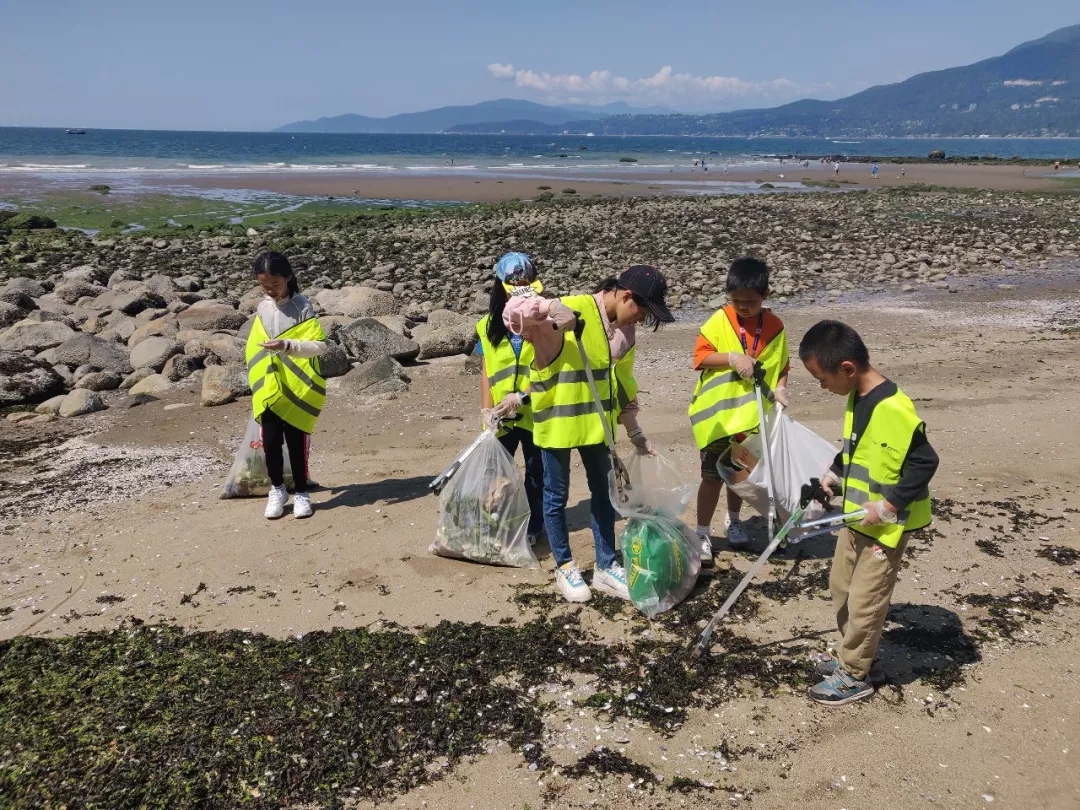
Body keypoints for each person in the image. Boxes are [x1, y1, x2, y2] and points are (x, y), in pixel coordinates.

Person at [504, 265, 675, 602]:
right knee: (556, 495)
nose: (640, 319)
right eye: (642, 311)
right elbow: (513, 313)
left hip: (599, 428)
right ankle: (565, 565)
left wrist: (635, 430)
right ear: (627, 296)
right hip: (557, 424)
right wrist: (551, 308)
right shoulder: (572, 306)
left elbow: (622, 384)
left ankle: (606, 566)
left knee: (604, 495)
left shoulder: (625, 333)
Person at [798, 320, 939, 706]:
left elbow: (925, 462)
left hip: (887, 524)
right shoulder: (857, 398)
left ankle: (855, 674)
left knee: (865, 600)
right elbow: (855, 450)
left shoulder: (894, 407)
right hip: (856, 517)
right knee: (840, 588)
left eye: (820, 378)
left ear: (846, 368)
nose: (821, 386)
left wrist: (889, 505)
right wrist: (833, 475)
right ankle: (854, 656)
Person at [688, 258, 789, 566]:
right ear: (727, 295)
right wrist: (732, 357)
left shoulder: (774, 327)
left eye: (751, 302)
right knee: (711, 477)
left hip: (750, 419)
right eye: (737, 301)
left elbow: (781, 364)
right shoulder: (718, 321)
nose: (744, 307)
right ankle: (702, 532)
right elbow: (700, 357)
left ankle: (733, 521)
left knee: (739, 475)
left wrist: (782, 388)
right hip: (719, 418)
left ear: (766, 295)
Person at [246, 251, 328, 520]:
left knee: (295, 442)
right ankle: (277, 489)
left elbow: (319, 346)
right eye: (264, 286)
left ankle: (302, 492)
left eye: (275, 285)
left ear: (288, 277)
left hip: (298, 385)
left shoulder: (302, 306)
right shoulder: (262, 307)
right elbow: (254, 345)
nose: (270, 291)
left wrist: (287, 345)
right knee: (269, 442)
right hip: (270, 386)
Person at [475, 252, 545, 546]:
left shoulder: (544, 320)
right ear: (501, 288)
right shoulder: (487, 325)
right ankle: (498, 521)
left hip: (536, 413)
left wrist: (522, 397)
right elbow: (486, 370)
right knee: (494, 473)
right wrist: (487, 410)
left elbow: (548, 369)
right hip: (501, 415)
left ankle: (534, 525)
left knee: (536, 475)